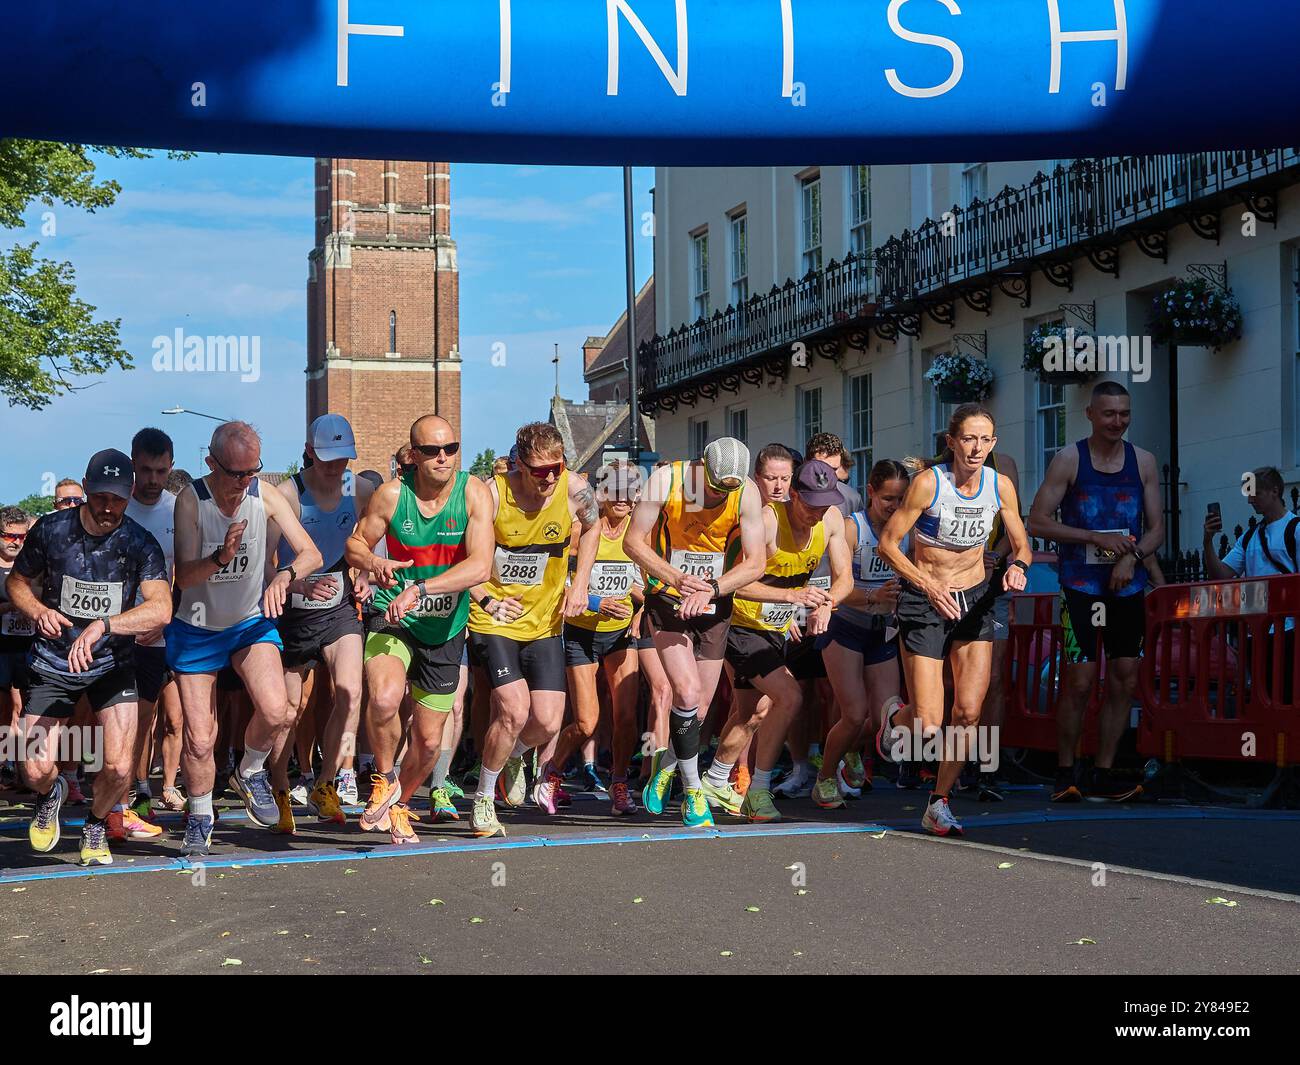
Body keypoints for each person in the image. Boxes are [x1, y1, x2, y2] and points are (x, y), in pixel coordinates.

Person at [7, 450, 171, 865]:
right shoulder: (50, 530)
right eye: (99, 497)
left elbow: (162, 608)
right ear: (85, 489)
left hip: (111, 664)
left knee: (118, 767)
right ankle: (52, 793)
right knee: (34, 769)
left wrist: (106, 624)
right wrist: (38, 610)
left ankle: (97, 822)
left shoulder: (138, 542)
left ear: (129, 493)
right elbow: (17, 582)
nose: (108, 507)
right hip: (53, 662)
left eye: (117, 499)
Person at [168, 421, 323, 856]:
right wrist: (222, 556)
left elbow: (311, 553)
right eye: (236, 473)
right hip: (196, 625)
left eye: (253, 470)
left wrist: (286, 578)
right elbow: (185, 576)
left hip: (247, 623)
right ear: (211, 463)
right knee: (200, 737)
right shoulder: (191, 501)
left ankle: (250, 770)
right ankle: (200, 814)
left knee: (277, 709)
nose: (245, 481)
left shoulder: (264, 495)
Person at [877, 404, 1032, 837]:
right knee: (928, 722)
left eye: (985, 440)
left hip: (976, 599)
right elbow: (888, 545)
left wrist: (1019, 565)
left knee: (967, 712)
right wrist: (927, 585)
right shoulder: (929, 483)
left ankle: (938, 802)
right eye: (968, 439)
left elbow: (1022, 543)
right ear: (952, 441)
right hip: (926, 599)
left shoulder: (1000, 487)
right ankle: (895, 722)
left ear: (994, 444)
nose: (977, 448)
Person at [345, 415, 493, 845]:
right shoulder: (391, 496)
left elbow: (480, 566)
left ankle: (402, 804)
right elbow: (354, 545)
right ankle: (384, 777)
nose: (443, 458)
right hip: (396, 618)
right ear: (413, 455)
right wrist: (375, 562)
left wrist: (422, 589)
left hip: (446, 627)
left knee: (429, 744)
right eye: (432, 450)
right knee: (386, 697)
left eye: (451, 448)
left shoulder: (473, 493)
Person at [1028, 381, 1163, 803]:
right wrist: (1092, 537)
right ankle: (1066, 770)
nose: (1117, 422)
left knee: (1124, 679)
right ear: (1090, 414)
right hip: (1081, 587)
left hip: (1127, 586)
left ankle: (1103, 771)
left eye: (1124, 414)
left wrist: (1131, 556)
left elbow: (1158, 528)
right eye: (1108, 414)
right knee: (1081, 680)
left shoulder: (1143, 461)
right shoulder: (1070, 459)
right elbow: (1037, 521)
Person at [465, 423, 599, 838]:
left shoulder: (575, 489)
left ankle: (513, 756)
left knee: (545, 722)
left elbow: (592, 527)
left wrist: (580, 583)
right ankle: (484, 799)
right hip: (496, 617)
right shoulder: (492, 493)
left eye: (555, 468)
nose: (549, 478)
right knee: (514, 708)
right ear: (519, 465)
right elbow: (463, 557)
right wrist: (485, 596)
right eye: (539, 470)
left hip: (544, 623)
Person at [625, 437, 766, 827]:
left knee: (699, 709)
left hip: (714, 600)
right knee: (684, 692)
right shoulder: (666, 480)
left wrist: (713, 588)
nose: (721, 495)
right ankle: (692, 792)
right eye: (716, 487)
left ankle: (668, 764)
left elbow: (756, 563)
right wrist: (676, 579)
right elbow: (632, 542)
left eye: (729, 490)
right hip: (669, 596)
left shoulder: (747, 494)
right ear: (701, 467)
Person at [715, 459, 853, 822]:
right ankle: (758, 791)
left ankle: (714, 778)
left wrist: (828, 604)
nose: (817, 513)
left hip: (775, 628)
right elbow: (736, 580)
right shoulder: (768, 520)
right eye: (810, 505)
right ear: (794, 495)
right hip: (741, 622)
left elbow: (845, 579)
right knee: (790, 695)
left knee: (751, 712)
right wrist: (790, 598)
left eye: (825, 504)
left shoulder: (832, 520)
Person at [267, 415, 375, 832]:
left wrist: (364, 574)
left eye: (343, 459)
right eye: (327, 459)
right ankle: (280, 788)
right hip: (293, 610)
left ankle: (326, 783)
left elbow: (370, 539)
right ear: (310, 452)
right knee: (288, 711)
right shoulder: (287, 495)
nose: (335, 468)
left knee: (350, 690)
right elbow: (266, 567)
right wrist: (293, 588)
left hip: (339, 609)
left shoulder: (360, 489)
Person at [544, 462, 644, 815]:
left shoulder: (637, 532)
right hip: (582, 634)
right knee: (587, 721)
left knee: (627, 716)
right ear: (602, 493)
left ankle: (619, 783)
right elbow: (558, 585)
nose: (623, 498)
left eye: (631, 491)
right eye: (616, 490)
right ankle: (551, 772)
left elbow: (645, 580)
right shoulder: (582, 531)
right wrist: (599, 602)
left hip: (619, 634)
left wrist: (639, 608)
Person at [813, 459, 910, 807]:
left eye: (901, 499)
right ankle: (824, 778)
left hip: (882, 631)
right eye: (888, 498)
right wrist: (872, 596)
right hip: (845, 627)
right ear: (870, 492)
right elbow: (831, 587)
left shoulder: (906, 530)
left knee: (886, 715)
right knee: (853, 714)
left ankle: (851, 751)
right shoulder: (853, 528)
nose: (895, 507)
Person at [120, 428, 181, 835]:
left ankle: (147, 789)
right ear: (132, 464)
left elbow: (186, 572)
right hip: (122, 632)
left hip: (170, 631)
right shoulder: (116, 506)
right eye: (145, 470)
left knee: (171, 718)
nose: (153, 479)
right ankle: (126, 796)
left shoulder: (180, 509)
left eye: (161, 470)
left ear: (171, 467)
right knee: (132, 718)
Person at [1203, 465, 1296, 704]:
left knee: (1285, 698)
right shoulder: (1249, 536)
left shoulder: (1295, 530)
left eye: (1256, 494)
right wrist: (1207, 541)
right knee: (1263, 701)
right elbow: (1220, 576)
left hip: (1288, 633)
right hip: (1257, 632)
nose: (1250, 501)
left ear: (1275, 491)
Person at [1, 508, 36, 787]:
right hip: (2, 648)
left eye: (23, 536)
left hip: (28, 646)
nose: (17, 542)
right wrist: (11, 606)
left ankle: (25, 770)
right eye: (11, 536)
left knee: (27, 709)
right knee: (3, 711)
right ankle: (4, 766)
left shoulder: (31, 568)